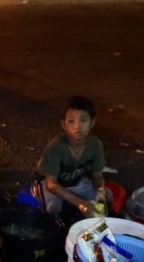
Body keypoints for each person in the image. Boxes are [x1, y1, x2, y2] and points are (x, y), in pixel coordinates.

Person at [36, 95, 112, 223]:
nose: (77, 126)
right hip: (55, 186)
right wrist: (80, 203)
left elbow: (97, 175)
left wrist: (100, 191)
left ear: (92, 122)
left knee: (108, 196)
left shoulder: (95, 144)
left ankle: (105, 226)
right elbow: (51, 184)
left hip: (77, 183)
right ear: (63, 124)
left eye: (83, 120)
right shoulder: (56, 146)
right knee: (52, 208)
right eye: (71, 121)